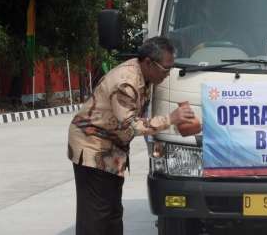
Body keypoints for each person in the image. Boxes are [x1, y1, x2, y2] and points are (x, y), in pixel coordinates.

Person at [67, 36, 198, 235]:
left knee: (112, 212)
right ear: (148, 63)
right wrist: (170, 119)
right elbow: (130, 125)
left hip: (113, 151)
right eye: (165, 69)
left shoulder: (146, 76)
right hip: (93, 147)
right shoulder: (126, 83)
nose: (167, 74)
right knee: (95, 216)